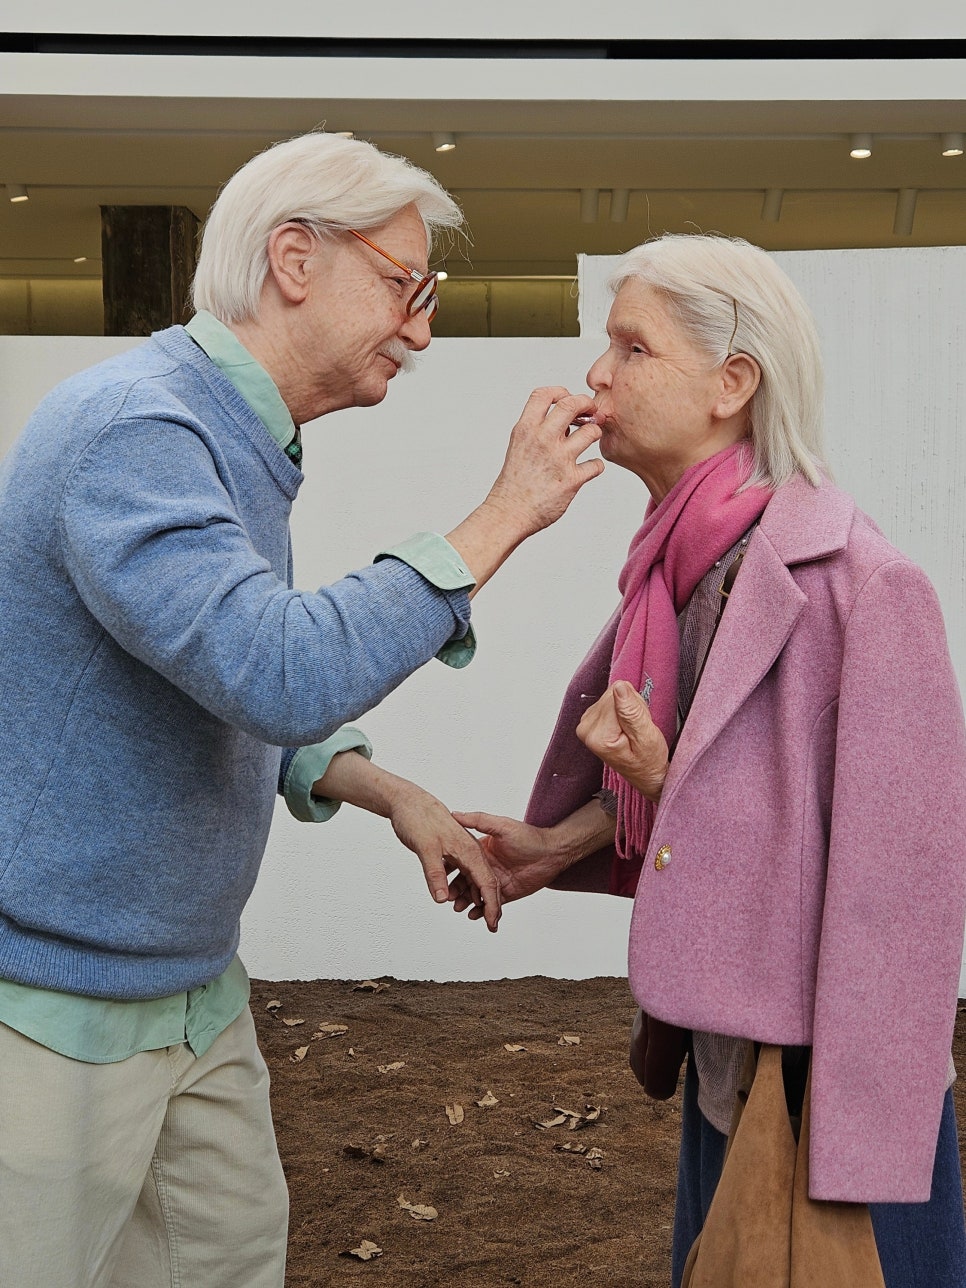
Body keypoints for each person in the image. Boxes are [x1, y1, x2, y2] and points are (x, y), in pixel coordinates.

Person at [0, 132, 604, 1287]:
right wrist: (505, 513)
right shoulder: (140, 430)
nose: (421, 330)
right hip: (54, 1014)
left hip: (194, 998)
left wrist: (385, 789)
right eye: (403, 286)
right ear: (293, 259)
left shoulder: (229, 434)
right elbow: (276, 668)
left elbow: (216, 675)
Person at [452, 233, 966, 1287]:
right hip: (724, 1053)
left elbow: (901, 898)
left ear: (733, 382)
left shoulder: (866, 587)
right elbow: (717, 773)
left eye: (632, 348)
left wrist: (860, 1154)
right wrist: (556, 845)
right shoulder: (686, 564)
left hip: (831, 1102)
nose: (597, 375)